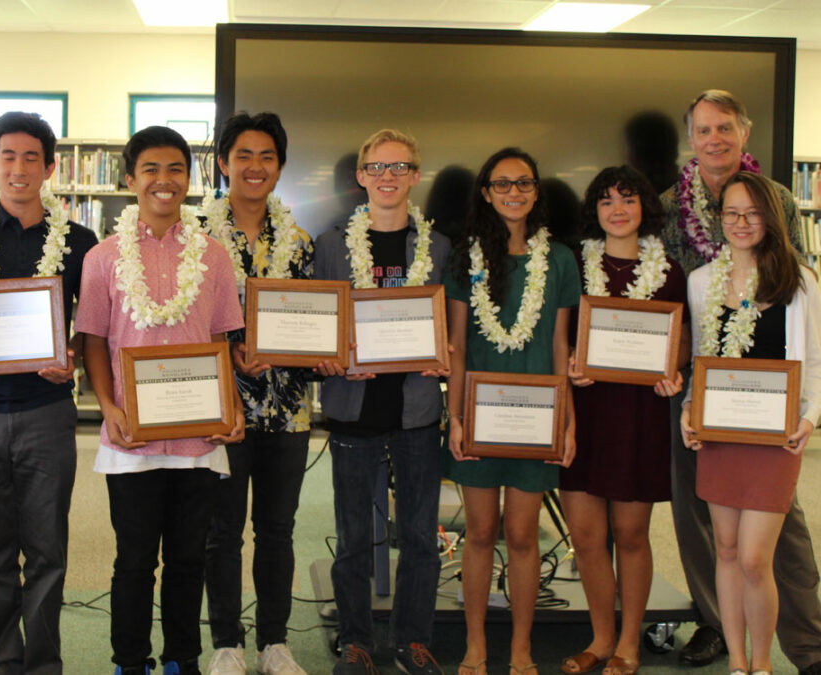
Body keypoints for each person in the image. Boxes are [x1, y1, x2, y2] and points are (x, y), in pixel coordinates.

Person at [660, 90, 821, 675]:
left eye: (724, 128)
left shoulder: (775, 197)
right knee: (703, 526)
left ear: (743, 134)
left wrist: (804, 412)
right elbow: (677, 307)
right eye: (703, 130)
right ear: (691, 139)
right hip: (703, 396)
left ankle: (807, 644)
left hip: (772, 405)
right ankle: (719, 630)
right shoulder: (666, 207)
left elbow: (793, 296)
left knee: (781, 540)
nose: (714, 139)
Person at [77, 125, 244, 675]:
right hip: (132, 435)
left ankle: (181, 658)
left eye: (175, 169)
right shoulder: (102, 258)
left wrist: (231, 407)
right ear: (130, 179)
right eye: (150, 169)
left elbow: (220, 339)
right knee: (133, 562)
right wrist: (108, 404)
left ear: (189, 180)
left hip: (198, 436)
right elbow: (94, 340)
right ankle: (130, 661)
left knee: (189, 559)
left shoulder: (214, 257)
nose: (163, 180)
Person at [0, 112, 98, 674]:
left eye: (32, 157)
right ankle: (0, 664)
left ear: (51, 166)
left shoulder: (79, 242)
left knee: (48, 549)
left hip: (46, 410)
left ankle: (43, 664)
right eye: (7, 156)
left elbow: (90, 327)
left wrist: (71, 355)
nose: (19, 168)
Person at [314, 128, 451, 675]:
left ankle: (412, 641)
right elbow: (321, 325)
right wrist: (325, 355)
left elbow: (451, 328)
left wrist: (445, 354)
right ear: (360, 176)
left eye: (399, 167)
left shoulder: (439, 249)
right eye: (377, 167)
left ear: (416, 175)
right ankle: (356, 642)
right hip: (353, 409)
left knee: (419, 536)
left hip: (417, 410)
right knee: (351, 539)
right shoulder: (329, 245)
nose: (388, 177)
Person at [444, 147, 580, 675]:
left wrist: (566, 421)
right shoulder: (466, 257)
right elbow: (456, 343)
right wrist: (454, 416)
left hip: (536, 418)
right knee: (479, 533)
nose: (514, 193)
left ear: (536, 190)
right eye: (502, 184)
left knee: (523, 536)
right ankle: (476, 645)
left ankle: (521, 648)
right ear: (486, 193)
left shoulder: (561, 259)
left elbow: (561, 348)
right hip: (479, 416)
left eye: (523, 183)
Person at [559, 166, 689, 675]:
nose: (618, 209)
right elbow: (562, 334)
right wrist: (571, 361)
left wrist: (673, 371)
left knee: (631, 535)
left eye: (628, 199)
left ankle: (629, 642)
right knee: (587, 538)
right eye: (607, 200)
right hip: (585, 413)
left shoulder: (670, 272)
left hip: (638, 417)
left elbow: (678, 344)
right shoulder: (573, 265)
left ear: (644, 209)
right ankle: (601, 638)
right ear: (594, 211)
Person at [200, 112, 315, 675]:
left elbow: (319, 322)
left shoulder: (301, 242)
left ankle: (275, 641)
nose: (255, 166)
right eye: (243, 154)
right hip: (219, 407)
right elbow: (182, 326)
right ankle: (226, 642)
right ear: (223, 163)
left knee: (278, 528)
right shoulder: (193, 234)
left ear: (280, 166)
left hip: (287, 409)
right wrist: (227, 355)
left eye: (266, 156)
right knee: (221, 530)